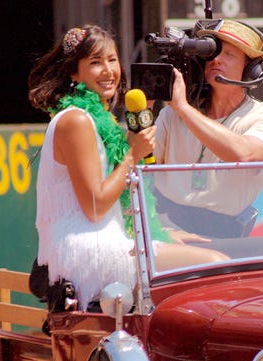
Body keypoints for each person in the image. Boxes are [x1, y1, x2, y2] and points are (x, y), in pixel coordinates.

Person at [29, 25, 227, 311]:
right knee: (215, 266)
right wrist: (132, 154)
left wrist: (162, 235)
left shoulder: (98, 119)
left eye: (112, 60)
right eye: (95, 63)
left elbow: (116, 206)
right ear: (74, 72)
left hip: (109, 239)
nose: (108, 70)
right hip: (88, 252)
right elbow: (95, 205)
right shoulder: (76, 121)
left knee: (203, 258)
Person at [152, 19, 263, 238]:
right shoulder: (172, 113)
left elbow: (247, 157)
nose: (216, 60)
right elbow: (140, 162)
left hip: (224, 236)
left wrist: (184, 109)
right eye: (212, 54)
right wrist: (144, 112)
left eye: (229, 55)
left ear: (250, 69)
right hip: (166, 228)